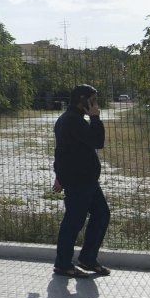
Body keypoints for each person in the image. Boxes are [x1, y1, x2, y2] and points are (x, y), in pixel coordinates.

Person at [51, 84, 111, 278]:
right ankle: (63, 264)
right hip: (78, 180)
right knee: (73, 222)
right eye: (92, 100)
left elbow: (62, 151)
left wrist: (59, 176)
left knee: (101, 215)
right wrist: (95, 117)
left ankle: (88, 258)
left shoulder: (72, 119)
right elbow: (97, 141)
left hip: (87, 180)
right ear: (82, 100)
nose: (96, 104)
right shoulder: (71, 121)